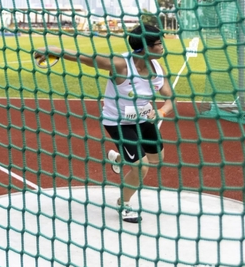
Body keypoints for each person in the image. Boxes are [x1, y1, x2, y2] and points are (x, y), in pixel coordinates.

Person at [34, 23, 175, 224]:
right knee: (141, 167)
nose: (162, 47)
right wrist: (56, 50)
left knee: (156, 159)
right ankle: (124, 203)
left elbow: (170, 99)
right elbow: (85, 58)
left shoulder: (158, 69)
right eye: (159, 43)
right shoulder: (120, 65)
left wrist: (161, 112)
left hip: (144, 119)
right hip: (118, 122)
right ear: (145, 46)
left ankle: (118, 158)